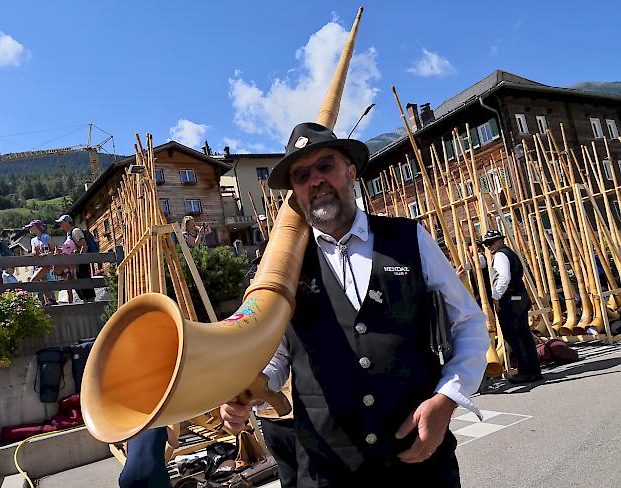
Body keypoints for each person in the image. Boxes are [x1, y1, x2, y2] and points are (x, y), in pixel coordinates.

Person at [220, 122, 490, 487]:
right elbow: (279, 355)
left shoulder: (409, 239)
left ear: (351, 172)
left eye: (325, 166)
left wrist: (447, 399)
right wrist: (250, 391)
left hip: (417, 461)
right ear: (295, 193)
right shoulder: (283, 268)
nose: (315, 180)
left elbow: (469, 324)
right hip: (327, 468)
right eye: (302, 175)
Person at [481, 230, 542, 384]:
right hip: (519, 297)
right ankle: (535, 370)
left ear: (500, 241)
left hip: (510, 299)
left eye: (491, 242)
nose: (488, 246)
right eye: (486, 244)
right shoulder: (509, 253)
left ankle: (525, 372)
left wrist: (496, 296)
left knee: (514, 337)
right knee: (525, 335)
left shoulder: (501, 256)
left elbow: (504, 277)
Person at [55, 215, 95, 302]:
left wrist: (79, 260)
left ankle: (93, 310)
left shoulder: (75, 231)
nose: (60, 225)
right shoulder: (68, 234)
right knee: (81, 291)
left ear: (67, 222)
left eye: (61, 223)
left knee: (87, 292)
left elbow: (84, 246)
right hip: (75, 266)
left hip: (81, 265)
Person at [25, 219, 56, 305]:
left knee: (33, 280)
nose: (29, 229)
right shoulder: (33, 240)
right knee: (43, 281)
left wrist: (48, 254)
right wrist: (36, 253)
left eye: (31, 227)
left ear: (36, 227)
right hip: (38, 264)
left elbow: (54, 249)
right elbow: (33, 251)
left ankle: (26, 298)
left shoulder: (46, 237)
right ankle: (49, 301)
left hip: (47, 263)